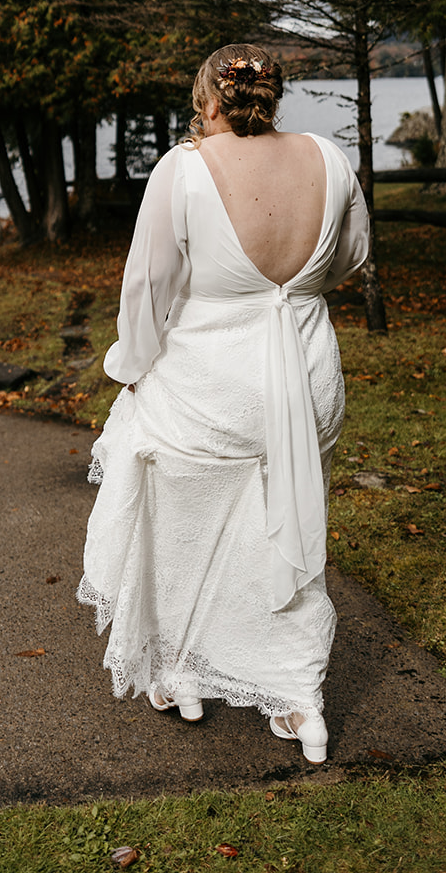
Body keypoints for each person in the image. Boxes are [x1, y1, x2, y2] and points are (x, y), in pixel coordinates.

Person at [77, 44, 369, 764]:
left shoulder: (183, 168)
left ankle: (179, 676)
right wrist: (290, 293)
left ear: (206, 98)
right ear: (272, 97)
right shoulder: (327, 161)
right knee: (288, 521)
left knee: (179, 520)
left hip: (211, 387)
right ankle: (300, 701)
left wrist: (132, 366)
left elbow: (147, 285)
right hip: (306, 381)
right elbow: (355, 256)